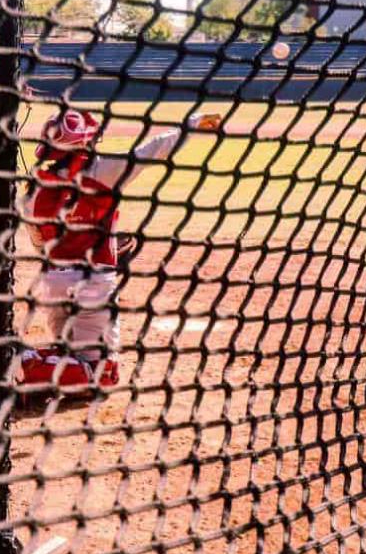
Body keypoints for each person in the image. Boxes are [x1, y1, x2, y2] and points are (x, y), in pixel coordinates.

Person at [17, 107, 223, 397]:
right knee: (103, 375)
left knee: (71, 353)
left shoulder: (34, 191)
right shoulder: (105, 171)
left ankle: (34, 365)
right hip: (94, 285)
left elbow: (41, 245)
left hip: (53, 285)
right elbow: (154, 149)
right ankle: (25, 366)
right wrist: (192, 123)